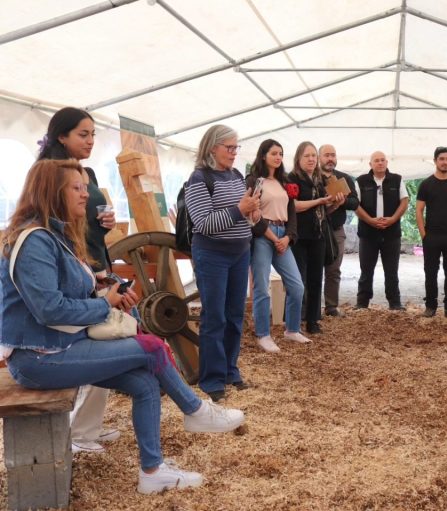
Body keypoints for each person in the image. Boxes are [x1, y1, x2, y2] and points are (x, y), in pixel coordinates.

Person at [0, 159, 245, 494]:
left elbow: (69, 289)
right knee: (153, 347)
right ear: (50, 192)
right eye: (77, 188)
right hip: (39, 358)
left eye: (85, 187)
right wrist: (105, 302)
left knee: (144, 382)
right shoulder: (35, 241)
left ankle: (152, 471)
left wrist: (106, 287)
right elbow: (49, 309)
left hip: (60, 347)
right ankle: (196, 410)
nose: (86, 195)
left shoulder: (54, 236)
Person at [36, 106, 120, 454]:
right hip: (73, 269)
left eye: (93, 134)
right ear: (61, 136)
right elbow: (55, 229)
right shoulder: (48, 174)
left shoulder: (87, 173)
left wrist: (105, 224)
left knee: (104, 343)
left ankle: (87, 428)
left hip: (94, 263)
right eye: (82, 134)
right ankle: (79, 434)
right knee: (94, 345)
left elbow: (87, 222)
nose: (90, 141)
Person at [185, 124, 260, 401]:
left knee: (234, 315)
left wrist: (252, 212)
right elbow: (204, 223)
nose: (233, 153)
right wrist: (240, 209)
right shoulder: (198, 179)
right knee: (214, 317)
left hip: (240, 252)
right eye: (229, 148)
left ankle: (230, 370)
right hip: (212, 254)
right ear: (212, 148)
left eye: (235, 148)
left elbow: (244, 214)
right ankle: (212, 379)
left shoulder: (236, 176)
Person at [246, 139, 311, 353]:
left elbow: (291, 212)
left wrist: (288, 237)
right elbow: (253, 215)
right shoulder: (255, 181)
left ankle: (291, 329)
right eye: (274, 153)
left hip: (283, 235)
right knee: (261, 287)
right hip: (263, 236)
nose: (278, 157)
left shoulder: (284, 181)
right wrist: (274, 238)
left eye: (281, 154)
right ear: (263, 155)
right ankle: (263, 334)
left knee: (296, 285)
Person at [288, 141, 344, 334]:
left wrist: (335, 204)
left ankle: (312, 320)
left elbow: (323, 210)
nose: (311, 159)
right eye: (307, 156)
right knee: (298, 280)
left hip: (318, 234)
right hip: (299, 236)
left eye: (313, 156)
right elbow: (293, 206)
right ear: (298, 158)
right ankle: (294, 321)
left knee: (315, 279)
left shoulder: (319, 179)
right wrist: (320, 200)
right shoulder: (292, 178)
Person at [415, 146, 447, 320]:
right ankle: (430, 305)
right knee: (430, 271)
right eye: (442, 159)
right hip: (432, 236)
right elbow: (419, 210)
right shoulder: (426, 184)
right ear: (435, 161)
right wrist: (424, 234)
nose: (445, 162)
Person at [354, 151, 409, 310]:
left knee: (392, 270)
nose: (380, 163)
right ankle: (362, 303)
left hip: (391, 234)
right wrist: (370, 220)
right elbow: (355, 205)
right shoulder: (361, 181)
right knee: (366, 270)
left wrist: (392, 219)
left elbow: (404, 202)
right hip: (367, 233)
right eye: (376, 160)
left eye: (382, 160)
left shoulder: (397, 180)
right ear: (370, 164)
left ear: (387, 162)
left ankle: (395, 303)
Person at [319, 144, 359, 317]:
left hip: (336, 230)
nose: (330, 159)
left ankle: (331, 306)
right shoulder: (313, 177)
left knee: (334, 269)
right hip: (316, 231)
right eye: (326, 155)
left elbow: (356, 203)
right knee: (313, 269)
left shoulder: (345, 178)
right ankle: (311, 308)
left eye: (333, 155)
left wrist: (343, 202)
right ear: (319, 157)